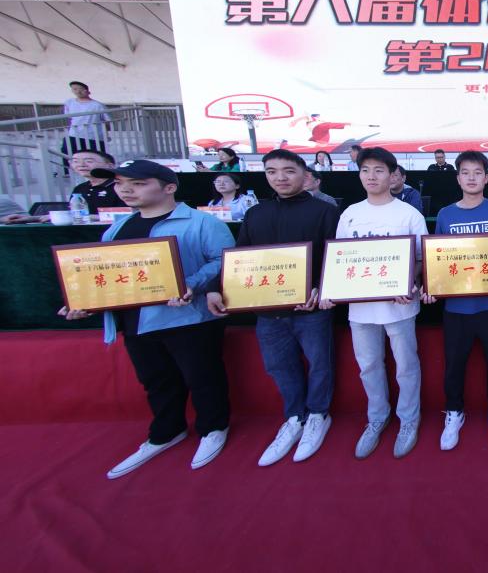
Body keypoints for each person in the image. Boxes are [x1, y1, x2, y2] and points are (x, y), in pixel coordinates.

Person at [58, 160, 234, 478]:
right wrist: (83, 301)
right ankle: (167, 431)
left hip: (188, 319)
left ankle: (213, 428)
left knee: (203, 377)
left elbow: (224, 261)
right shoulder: (118, 227)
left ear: (169, 187)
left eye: (138, 183)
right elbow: (104, 274)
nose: (125, 190)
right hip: (135, 319)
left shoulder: (202, 223)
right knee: (155, 379)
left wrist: (192, 283)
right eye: (120, 183)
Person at [207, 149, 340, 467]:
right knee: (279, 366)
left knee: (320, 364)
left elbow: (336, 256)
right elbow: (240, 256)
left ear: (305, 175)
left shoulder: (325, 211)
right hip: (268, 310)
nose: (280, 177)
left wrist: (322, 286)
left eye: (288, 171)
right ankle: (294, 417)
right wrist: (215, 287)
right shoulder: (256, 214)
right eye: (271, 171)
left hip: (311, 308)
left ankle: (318, 415)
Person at [325, 147, 428, 460]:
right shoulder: (350, 214)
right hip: (360, 310)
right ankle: (377, 418)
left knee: (406, 366)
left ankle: (408, 419)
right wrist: (331, 288)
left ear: (393, 175)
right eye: (365, 170)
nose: (371, 176)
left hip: (399, 306)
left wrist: (410, 281)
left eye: (379, 170)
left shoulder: (409, 214)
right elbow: (340, 259)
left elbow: (421, 258)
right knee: (368, 366)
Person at [422, 150, 488, 451]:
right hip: (456, 308)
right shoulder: (446, 215)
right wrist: (432, 285)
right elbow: (438, 259)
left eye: (478, 172)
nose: (472, 178)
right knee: (454, 366)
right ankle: (454, 412)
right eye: (466, 172)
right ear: (458, 178)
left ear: (487, 178)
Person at [62, 81, 110, 155]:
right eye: (75, 89)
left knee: (95, 156)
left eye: (81, 89)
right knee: (68, 155)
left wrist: (106, 134)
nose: (78, 91)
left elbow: (107, 121)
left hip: (93, 136)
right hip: (74, 134)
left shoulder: (98, 105)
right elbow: (69, 117)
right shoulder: (69, 102)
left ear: (87, 91)